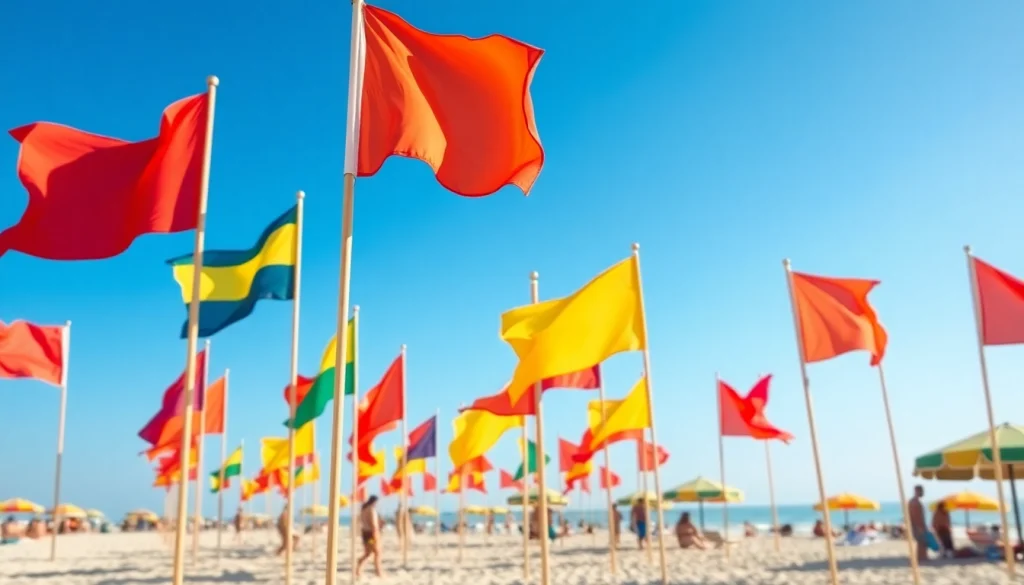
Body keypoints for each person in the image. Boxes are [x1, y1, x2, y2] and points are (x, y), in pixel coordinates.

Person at [355, 496, 383, 578]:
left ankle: (359, 568)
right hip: (372, 534)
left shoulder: (363, 509)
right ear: (375, 502)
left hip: (365, 533)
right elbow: (373, 524)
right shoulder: (371, 509)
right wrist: (376, 534)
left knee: (368, 552)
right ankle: (378, 571)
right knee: (377, 552)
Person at [908, 485, 928, 563]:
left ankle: (921, 557)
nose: (923, 492)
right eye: (921, 491)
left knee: (921, 542)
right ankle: (921, 557)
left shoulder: (913, 501)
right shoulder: (915, 502)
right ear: (917, 491)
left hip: (916, 525)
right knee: (922, 542)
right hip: (918, 525)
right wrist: (920, 526)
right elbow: (916, 516)